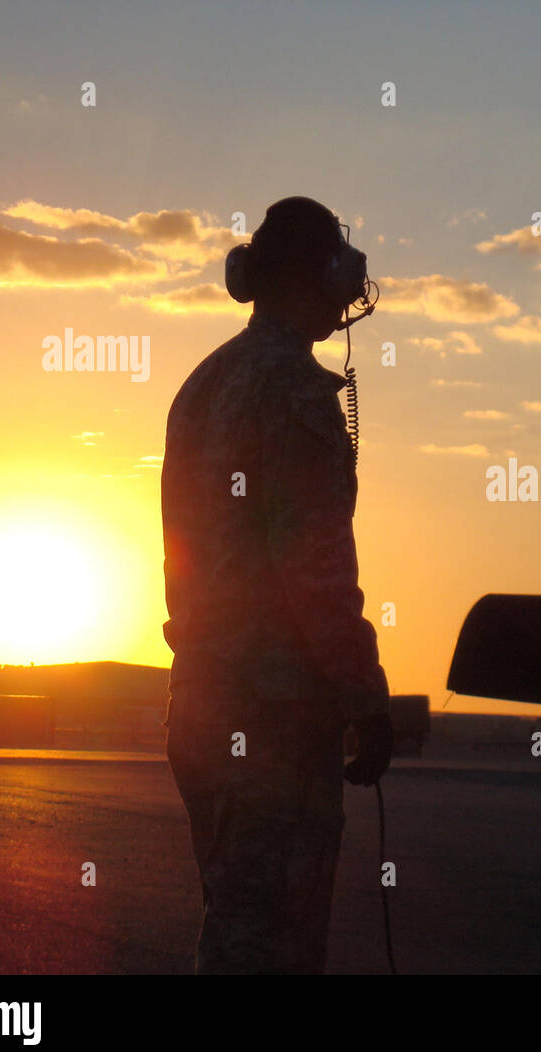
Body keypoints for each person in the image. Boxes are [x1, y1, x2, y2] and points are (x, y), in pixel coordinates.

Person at [161, 196, 393, 974]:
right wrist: (364, 690)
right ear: (310, 272)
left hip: (199, 704)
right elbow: (316, 566)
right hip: (275, 720)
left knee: (235, 918)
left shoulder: (202, 386)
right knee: (268, 947)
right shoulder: (296, 392)